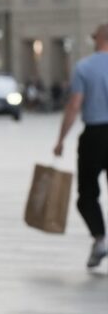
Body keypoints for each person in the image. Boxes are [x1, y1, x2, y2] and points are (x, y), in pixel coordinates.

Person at [54, 23, 108, 268]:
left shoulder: (85, 67)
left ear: (97, 39)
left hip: (95, 136)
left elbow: (75, 104)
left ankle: (99, 239)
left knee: (86, 193)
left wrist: (61, 139)